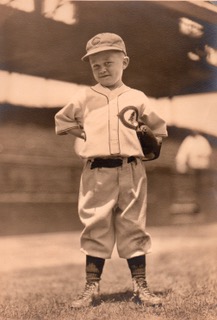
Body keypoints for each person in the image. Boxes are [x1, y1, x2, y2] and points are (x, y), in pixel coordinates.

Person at [55, 32, 167, 308]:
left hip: (131, 170)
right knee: (95, 227)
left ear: (124, 62)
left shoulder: (137, 97)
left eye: (109, 62)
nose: (102, 69)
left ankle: (141, 286)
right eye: (96, 65)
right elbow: (62, 120)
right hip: (96, 171)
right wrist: (85, 135)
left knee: (134, 227)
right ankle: (91, 288)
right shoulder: (84, 96)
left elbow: (158, 128)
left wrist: (152, 143)